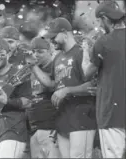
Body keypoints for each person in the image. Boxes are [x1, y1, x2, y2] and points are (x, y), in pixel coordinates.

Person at [32, 17, 97, 158]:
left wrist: (67, 91)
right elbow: (52, 84)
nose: (51, 40)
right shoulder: (58, 57)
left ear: (65, 33)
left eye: (54, 37)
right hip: (63, 119)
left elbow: (93, 85)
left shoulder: (81, 52)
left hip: (82, 117)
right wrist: (33, 66)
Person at [84, 1, 126, 158]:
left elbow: (87, 73)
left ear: (105, 18)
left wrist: (85, 52)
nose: (100, 25)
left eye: (99, 20)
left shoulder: (103, 42)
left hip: (111, 112)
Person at [26, 37, 61, 158]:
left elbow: (52, 86)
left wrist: (33, 67)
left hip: (51, 128)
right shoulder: (32, 70)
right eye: (34, 51)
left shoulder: (56, 65)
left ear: (50, 51)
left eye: (40, 51)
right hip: (34, 129)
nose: (36, 55)